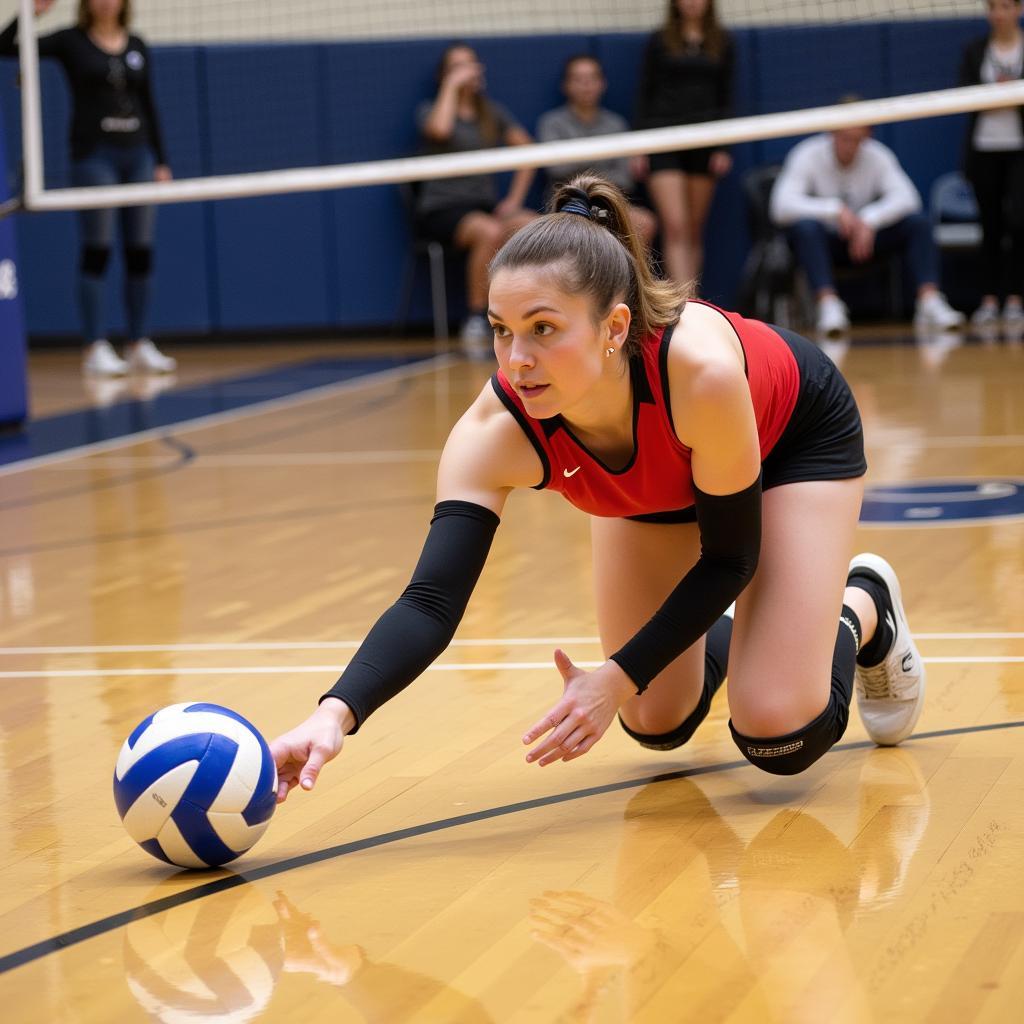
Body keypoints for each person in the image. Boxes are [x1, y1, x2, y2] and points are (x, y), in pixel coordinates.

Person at [271, 172, 928, 800]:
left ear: (614, 328)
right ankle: (762, 627)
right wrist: (336, 713)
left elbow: (731, 559)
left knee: (779, 732)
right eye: (501, 330)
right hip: (658, 486)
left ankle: (861, 605)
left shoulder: (700, 375)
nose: (516, 359)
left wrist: (613, 676)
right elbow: (430, 601)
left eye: (543, 329)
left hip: (789, 437)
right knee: (654, 718)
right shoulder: (493, 429)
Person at [0, 0, 176, 376]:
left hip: (139, 156)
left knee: (140, 250)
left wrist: (160, 160)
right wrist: (30, 14)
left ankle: (138, 342)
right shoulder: (71, 42)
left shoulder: (137, 46)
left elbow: (150, 104)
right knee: (98, 247)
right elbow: (4, 48)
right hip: (95, 157)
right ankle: (95, 344)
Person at [770, 116, 966, 336]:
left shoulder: (878, 155)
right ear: (831, 134)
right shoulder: (807, 154)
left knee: (918, 223)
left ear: (867, 136)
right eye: (845, 138)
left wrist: (870, 219)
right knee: (806, 228)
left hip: (867, 243)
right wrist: (833, 211)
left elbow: (908, 198)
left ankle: (929, 300)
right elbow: (780, 206)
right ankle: (828, 305)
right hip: (826, 243)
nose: (850, 146)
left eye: (857, 139)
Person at [414, 42, 538, 358]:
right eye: (458, 66)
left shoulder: (491, 113)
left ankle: (533, 308)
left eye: (471, 64)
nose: (469, 70)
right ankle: (476, 317)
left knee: (535, 226)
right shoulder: (431, 109)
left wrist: (514, 198)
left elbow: (529, 151)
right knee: (489, 232)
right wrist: (452, 87)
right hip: (442, 209)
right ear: (445, 75)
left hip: (483, 207)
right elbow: (440, 130)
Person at [633, 0, 734, 286]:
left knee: (693, 228)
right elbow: (645, 94)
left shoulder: (722, 41)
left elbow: (726, 95)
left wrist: (724, 146)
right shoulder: (660, 40)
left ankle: (693, 299)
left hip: (705, 141)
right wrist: (640, 145)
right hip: (663, 138)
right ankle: (683, 302)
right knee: (675, 225)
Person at [537, 54, 657, 247]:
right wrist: (600, 164)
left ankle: (629, 277)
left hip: (608, 204)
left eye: (592, 78)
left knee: (644, 221)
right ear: (566, 85)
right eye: (578, 79)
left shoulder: (616, 123)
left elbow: (625, 178)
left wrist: (576, 162)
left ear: (603, 83)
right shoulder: (552, 123)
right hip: (566, 205)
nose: (586, 85)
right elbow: (557, 169)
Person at [959, 0, 1024, 328]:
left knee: (1019, 222)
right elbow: (962, 95)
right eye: (993, 7)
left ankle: (1015, 299)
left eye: (1005, 6)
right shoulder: (974, 50)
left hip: (1019, 150)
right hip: (984, 149)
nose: (999, 14)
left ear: (1018, 9)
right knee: (990, 226)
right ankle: (988, 299)